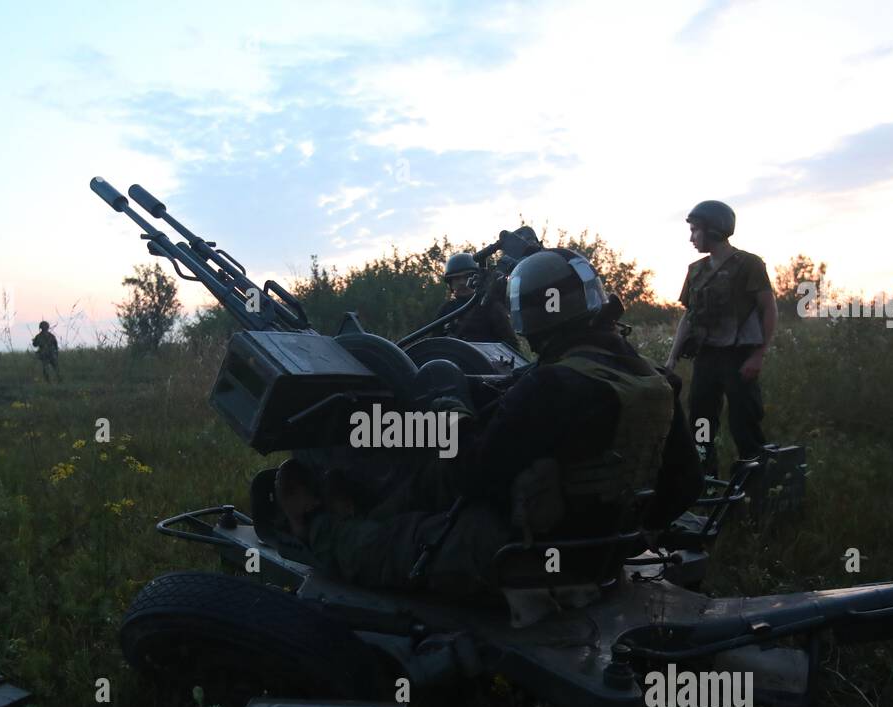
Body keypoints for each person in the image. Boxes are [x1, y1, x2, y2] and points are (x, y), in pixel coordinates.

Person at [276, 248, 703, 595]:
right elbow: (685, 487)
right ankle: (367, 504)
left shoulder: (554, 386)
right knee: (426, 492)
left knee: (388, 545)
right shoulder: (655, 380)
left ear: (532, 317)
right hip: (602, 550)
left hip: (525, 553)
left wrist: (450, 403)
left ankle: (316, 525)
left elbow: (469, 475)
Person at [666, 200, 777, 478]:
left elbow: (768, 308)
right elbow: (689, 317)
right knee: (701, 421)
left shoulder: (748, 264)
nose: (691, 238)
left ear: (714, 231)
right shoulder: (696, 271)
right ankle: (705, 476)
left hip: (739, 359)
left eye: (695, 231)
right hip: (706, 358)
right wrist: (672, 356)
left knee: (744, 423)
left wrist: (758, 355)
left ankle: (754, 484)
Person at [431, 252, 521, 352]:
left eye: (467, 277)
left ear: (478, 278)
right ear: (450, 283)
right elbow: (433, 344)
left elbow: (512, 348)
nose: (462, 282)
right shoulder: (446, 310)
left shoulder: (491, 307)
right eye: (456, 278)